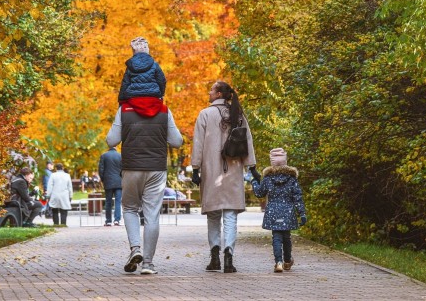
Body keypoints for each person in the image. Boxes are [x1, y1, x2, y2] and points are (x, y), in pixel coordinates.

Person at [106, 95, 183, 275]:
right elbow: (177, 141)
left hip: (131, 168)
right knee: (152, 215)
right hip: (156, 169)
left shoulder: (124, 110)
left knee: (130, 208)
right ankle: (148, 263)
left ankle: (135, 248)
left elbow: (111, 141)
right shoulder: (164, 110)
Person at [191, 81, 257, 273]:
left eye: (211, 89)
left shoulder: (205, 114)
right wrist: (252, 167)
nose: (208, 92)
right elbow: (248, 141)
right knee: (230, 216)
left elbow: (198, 144)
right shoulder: (238, 114)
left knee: (213, 215)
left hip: (212, 172)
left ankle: (214, 257)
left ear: (218, 93)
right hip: (233, 170)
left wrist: (195, 168)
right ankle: (229, 255)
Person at [251, 148, 307, 273]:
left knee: (276, 237)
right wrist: (302, 213)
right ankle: (287, 261)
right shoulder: (292, 179)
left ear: (272, 163)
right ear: (285, 162)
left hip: (273, 211)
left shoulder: (268, 179)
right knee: (286, 237)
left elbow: (260, 193)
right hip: (288, 210)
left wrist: (254, 182)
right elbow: (297, 197)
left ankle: (279, 262)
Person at [118, 36, 166, 103]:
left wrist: (121, 100)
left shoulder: (130, 66)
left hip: (133, 97)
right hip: (153, 96)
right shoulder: (155, 65)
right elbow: (162, 81)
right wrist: (161, 94)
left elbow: (125, 83)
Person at [98, 145, 123, 226]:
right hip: (119, 182)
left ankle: (108, 220)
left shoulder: (104, 156)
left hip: (108, 181)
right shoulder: (120, 156)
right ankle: (117, 220)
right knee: (118, 201)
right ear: (116, 147)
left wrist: (103, 179)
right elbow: (123, 169)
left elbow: (101, 169)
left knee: (108, 202)